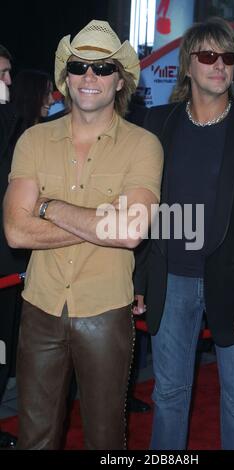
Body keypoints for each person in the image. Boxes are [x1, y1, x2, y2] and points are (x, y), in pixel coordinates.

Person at [3, 20, 163, 450]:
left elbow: (131, 231)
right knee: (35, 438)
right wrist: (99, 224)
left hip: (107, 311)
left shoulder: (143, 145)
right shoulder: (32, 140)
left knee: (107, 439)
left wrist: (48, 207)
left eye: (103, 68)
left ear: (120, 81)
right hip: (40, 308)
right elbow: (16, 232)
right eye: (78, 66)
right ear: (66, 77)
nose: (89, 77)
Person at [135, 17, 234, 450]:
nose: (219, 65)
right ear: (188, 65)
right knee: (168, 395)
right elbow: (148, 208)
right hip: (171, 280)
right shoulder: (157, 123)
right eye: (207, 55)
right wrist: (141, 279)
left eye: (227, 57)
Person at [0, 67, 55, 449]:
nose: (6, 82)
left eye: (7, 75)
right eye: (1, 74)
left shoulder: (26, 133)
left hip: (14, 264)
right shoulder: (14, 132)